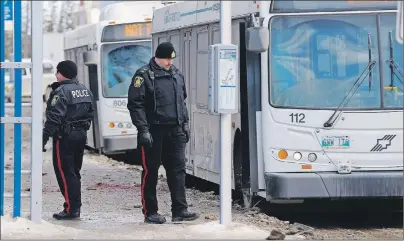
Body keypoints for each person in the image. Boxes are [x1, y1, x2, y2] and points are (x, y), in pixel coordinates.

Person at [127, 42, 199, 224]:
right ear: (157, 57)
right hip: (153, 131)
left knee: (178, 171)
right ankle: (150, 212)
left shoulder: (176, 74)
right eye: (167, 58)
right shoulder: (143, 75)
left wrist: (185, 123)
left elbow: (181, 102)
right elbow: (136, 105)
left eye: (171, 59)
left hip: (175, 131)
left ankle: (180, 210)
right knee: (150, 172)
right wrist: (143, 129)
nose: (169, 62)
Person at [42, 60, 94, 220]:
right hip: (80, 136)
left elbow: (54, 119)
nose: (56, 75)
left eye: (57, 72)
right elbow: (91, 113)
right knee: (74, 172)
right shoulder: (84, 90)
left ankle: (71, 209)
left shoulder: (61, 92)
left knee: (65, 173)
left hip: (64, 138)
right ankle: (74, 207)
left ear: (62, 74)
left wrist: (43, 139)